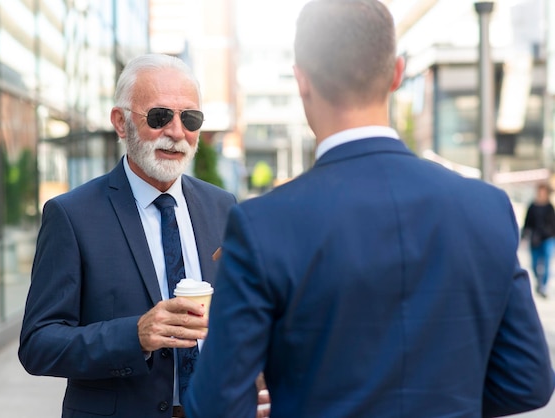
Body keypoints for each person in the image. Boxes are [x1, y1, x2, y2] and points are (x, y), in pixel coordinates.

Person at [184, 1, 555, 417]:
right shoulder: (487, 207)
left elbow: (215, 406)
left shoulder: (261, 226)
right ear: (396, 73)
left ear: (302, 81)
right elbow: (528, 382)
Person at [18, 53, 237, 418]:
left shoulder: (223, 206)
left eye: (191, 118)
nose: (176, 132)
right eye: (159, 116)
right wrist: (134, 337)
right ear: (121, 123)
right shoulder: (71, 215)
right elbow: (38, 344)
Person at [522, 182, 555, 298]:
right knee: (534, 264)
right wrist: (524, 237)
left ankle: (543, 286)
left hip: (548, 238)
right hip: (535, 239)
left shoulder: (550, 207)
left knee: (546, 263)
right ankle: (539, 281)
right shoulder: (532, 206)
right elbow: (527, 223)